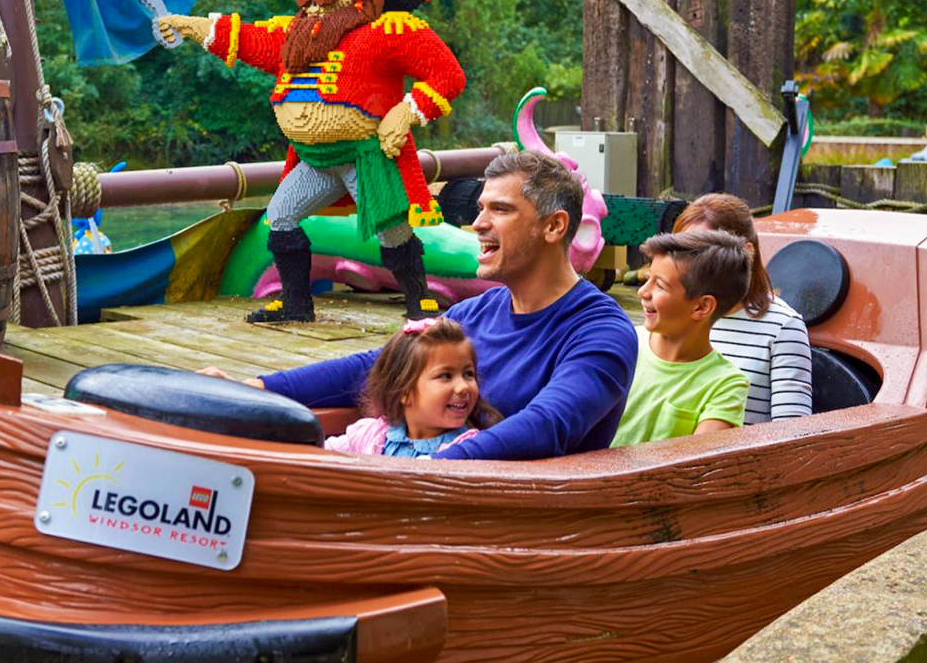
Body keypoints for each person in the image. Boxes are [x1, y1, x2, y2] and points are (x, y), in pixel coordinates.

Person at [157, 0, 465, 323]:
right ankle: (297, 304)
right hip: (315, 159)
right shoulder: (295, 34)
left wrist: (406, 111)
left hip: (365, 157)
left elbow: (448, 75)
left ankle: (420, 302)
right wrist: (189, 25)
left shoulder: (390, 30)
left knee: (392, 228)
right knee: (281, 215)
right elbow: (248, 39)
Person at [204, 150, 638, 460]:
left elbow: (548, 424)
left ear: (554, 227)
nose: (478, 224)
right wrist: (254, 389)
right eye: (480, 208)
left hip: (515, 519)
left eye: (500, 210)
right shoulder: (476, 312)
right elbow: (377, 366)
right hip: (432, 492)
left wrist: (428, 469)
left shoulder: (600, 331)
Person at [675, 193, 813, 423]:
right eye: (679, 252)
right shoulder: (673, 314)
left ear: (746, 254)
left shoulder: (783, 327)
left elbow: (792, 432)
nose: (686, 265)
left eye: (700, 253)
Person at [610, 230, 751, 447]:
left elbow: (698, 459)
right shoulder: (623, 343)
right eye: (647, 279)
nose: (642, 292)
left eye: (659, 285)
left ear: (702, 307)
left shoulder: (725, 385)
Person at [323, 317, 501, 457]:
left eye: (468, 374)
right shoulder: (372, 434)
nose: (463, 387)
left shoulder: (468, 449)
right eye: (446, 376)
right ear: (403, 390)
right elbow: (320, 455)